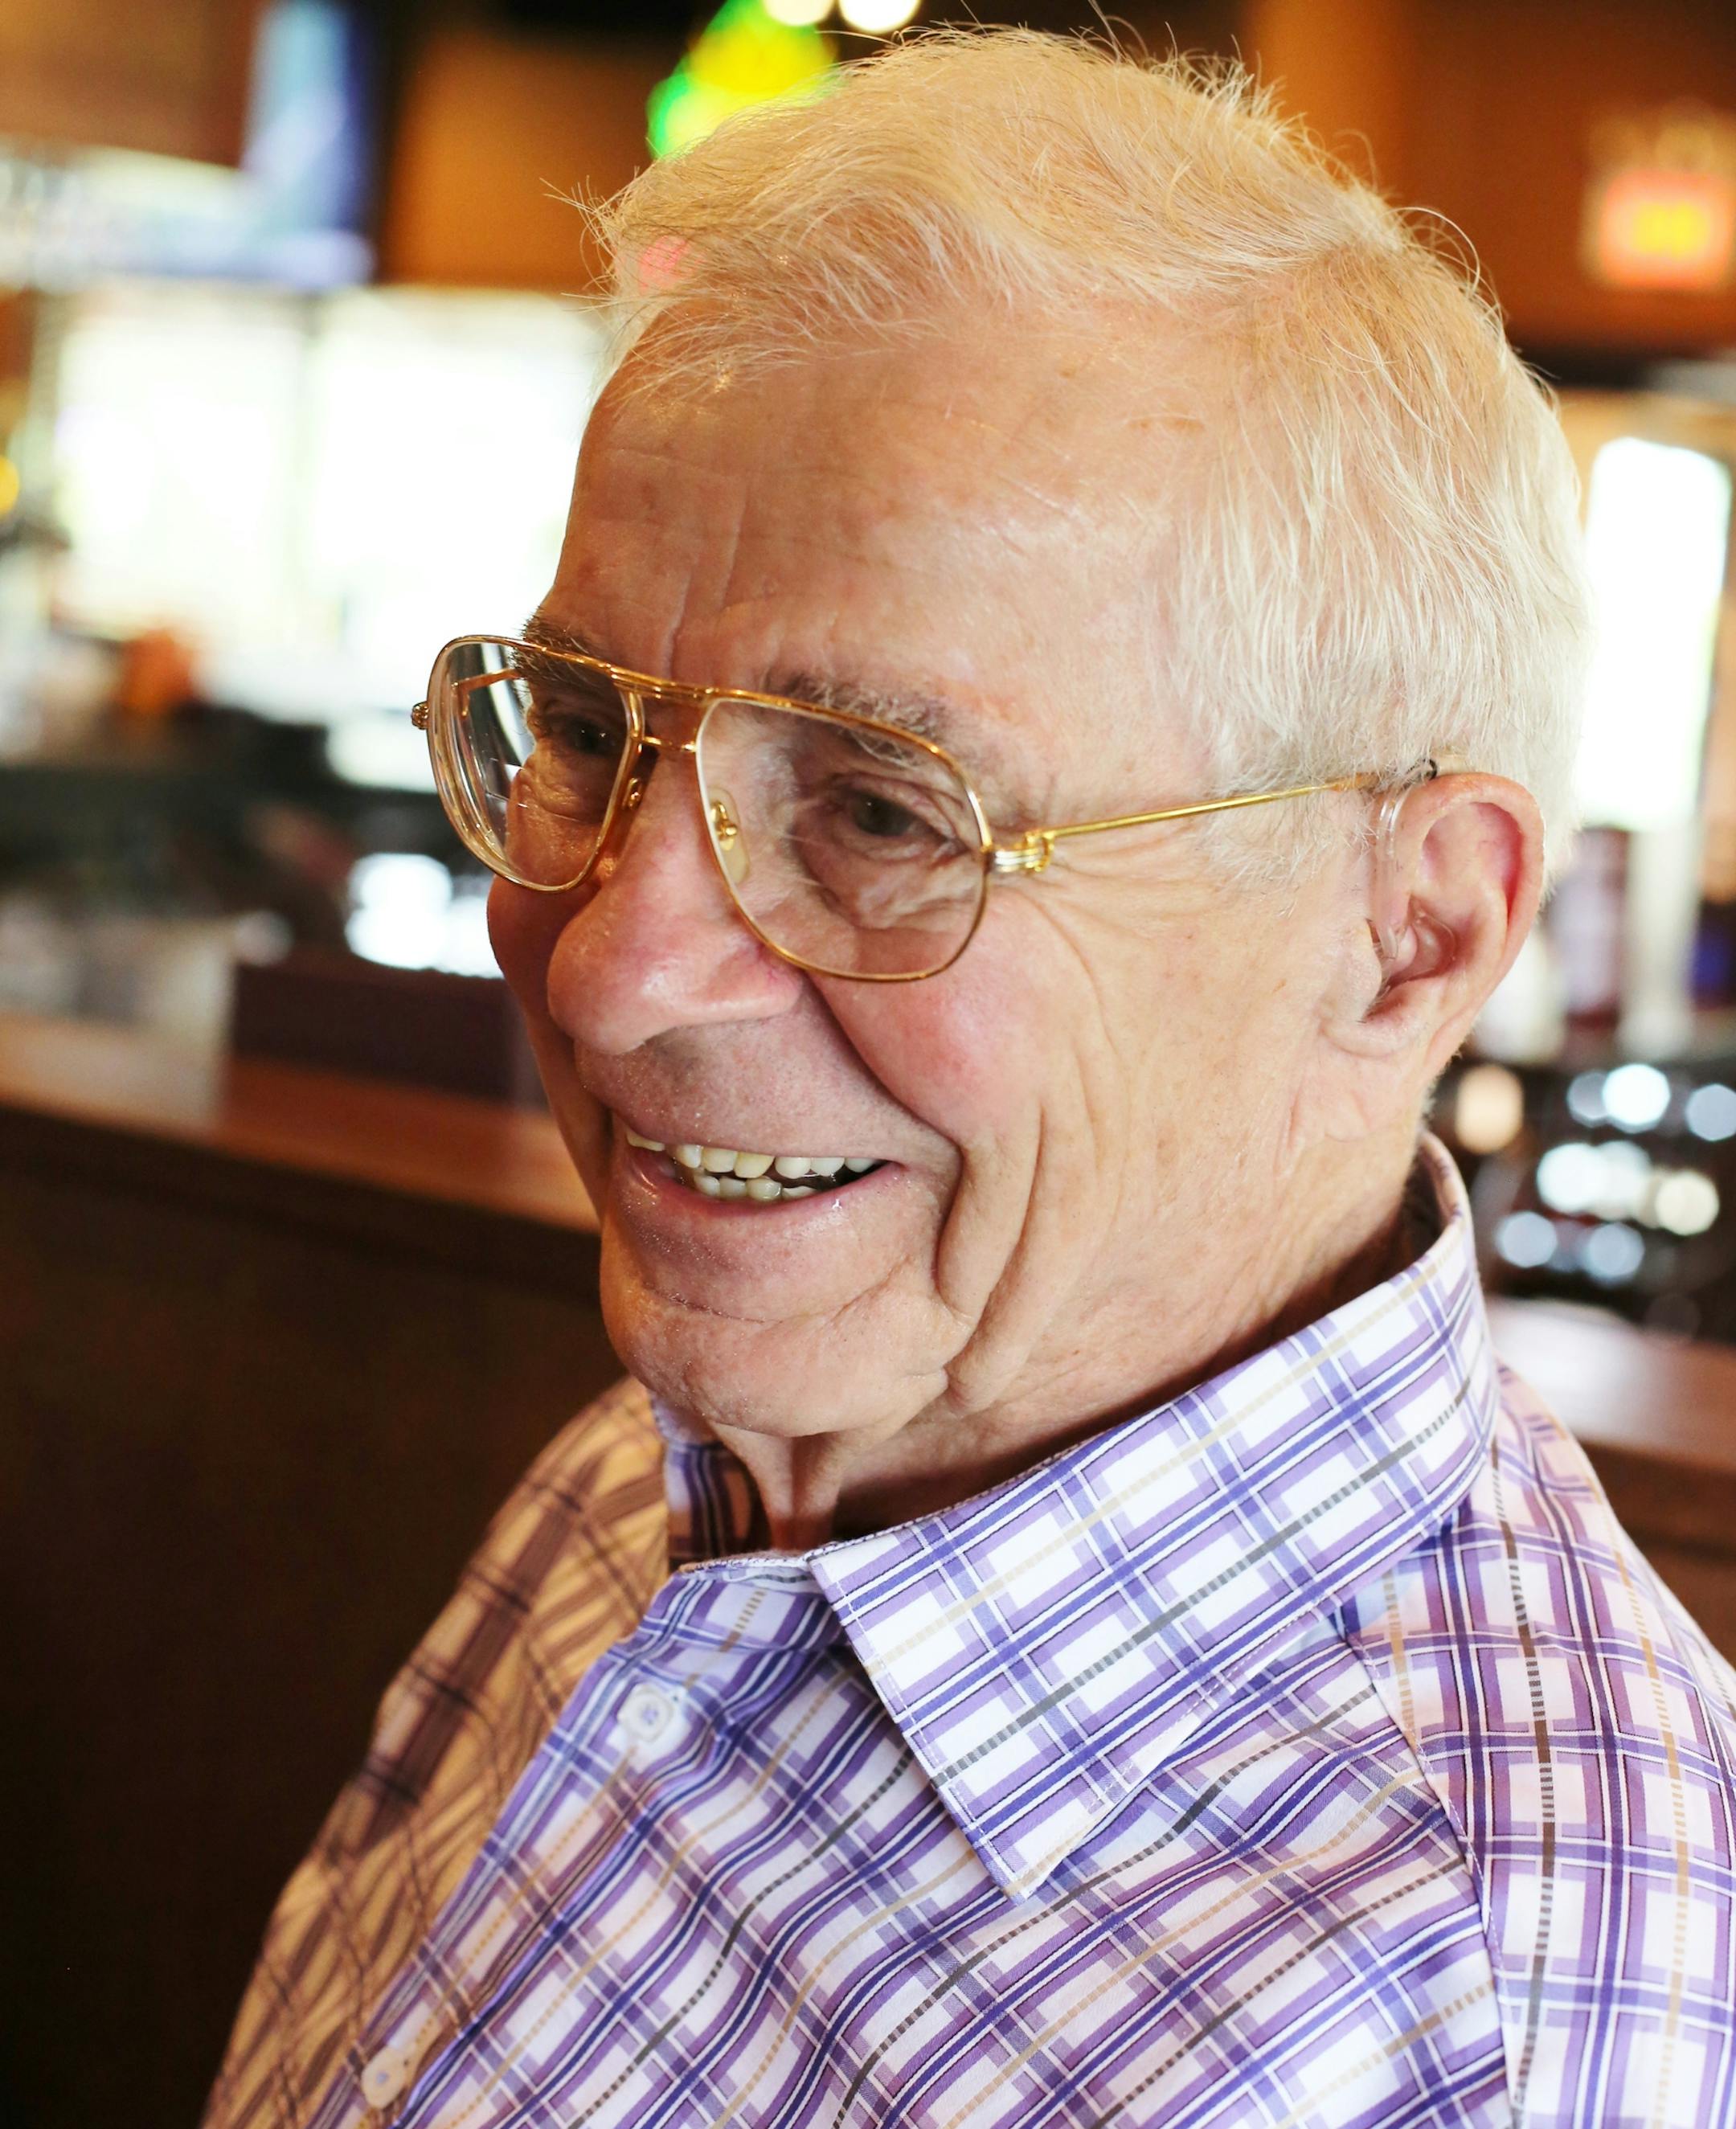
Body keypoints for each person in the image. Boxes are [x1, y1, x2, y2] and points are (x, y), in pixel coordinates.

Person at [207, 31, 1736, 2129]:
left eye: (883, 810)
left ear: (1414, 931)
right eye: (580, 728)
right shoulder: (693, 1455)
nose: (616, 973)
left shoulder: (1487, 2032)